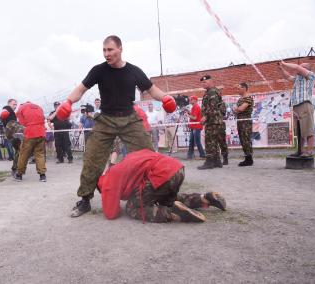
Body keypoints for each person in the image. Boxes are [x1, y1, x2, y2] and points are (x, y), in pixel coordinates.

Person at [55, 35, 176, 217]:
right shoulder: (98, 70)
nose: (106, 54)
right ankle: (85, 200)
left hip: (130, 119)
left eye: (110, 50)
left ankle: (156, 195)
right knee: (92, 158)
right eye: (104, 50)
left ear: (120, 49)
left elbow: (151, 90)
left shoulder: (134, 71)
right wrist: (68, 102)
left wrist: (166, 98)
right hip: (106, 120)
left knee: (149, 157)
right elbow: (81, 89)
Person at [98, 149, 226, 222]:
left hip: (161, 176)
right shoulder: (126, 160)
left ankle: (172, 213)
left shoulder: (108, 181)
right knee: (164, 197)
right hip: (177, 169)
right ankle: (204, 198)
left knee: (132, 208)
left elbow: (111, 214)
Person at [279, 60, 315, 157]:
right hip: (296, 106)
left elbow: (296, 67)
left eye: (302, 67)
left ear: (307, 69)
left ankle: (310, 151)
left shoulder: (311, 76)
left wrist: (284, 63)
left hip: (305, 104)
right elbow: (287, 76)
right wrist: (281, 68)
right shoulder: (298, 79)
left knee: (308, 129)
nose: (299, 67)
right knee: (299, 131)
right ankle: (300, 151)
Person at [198, 75, 227, 170]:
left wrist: (205, 117)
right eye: (202, 82)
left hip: (212, 121)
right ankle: (217, 161)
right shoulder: (209, 92)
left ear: (211, 81)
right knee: (214, 141)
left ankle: (209, 162)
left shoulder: (212, 92)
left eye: (205, 82)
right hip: (214, 120)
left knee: (209, 141)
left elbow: (213, 107)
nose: (203, 84)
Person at [13, 101, 47, 182]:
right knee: (40, 154)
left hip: (30, 133)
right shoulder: (39, 107)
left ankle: (19, 175)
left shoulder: (21, 108)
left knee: (23, 154)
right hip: (41, 132)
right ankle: (42, 175)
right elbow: (43, 118)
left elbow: (22, 123)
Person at [0, 99, 24, 175]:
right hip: (11, 129)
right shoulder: (7, 108)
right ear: (9, 104)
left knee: (19, 150)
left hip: (13, 132)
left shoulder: (12, 113)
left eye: (16, 104)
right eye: (14, 104)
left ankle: (14, 168)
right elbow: (2, 115)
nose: (15, 106)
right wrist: (3, 114)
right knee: (27, 131)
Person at [233, 83, 254, 166]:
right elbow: (237, 110)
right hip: (240, 120)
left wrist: (237, 109)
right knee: (242, 139)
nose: (237, 90)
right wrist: (237, 110)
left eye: (239, 88)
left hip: (245, 121)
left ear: (244, 88)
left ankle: (249, 159)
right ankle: (247, 157)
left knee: (246, 139)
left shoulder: (248, 98)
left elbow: (241, 109)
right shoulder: (241, 99)